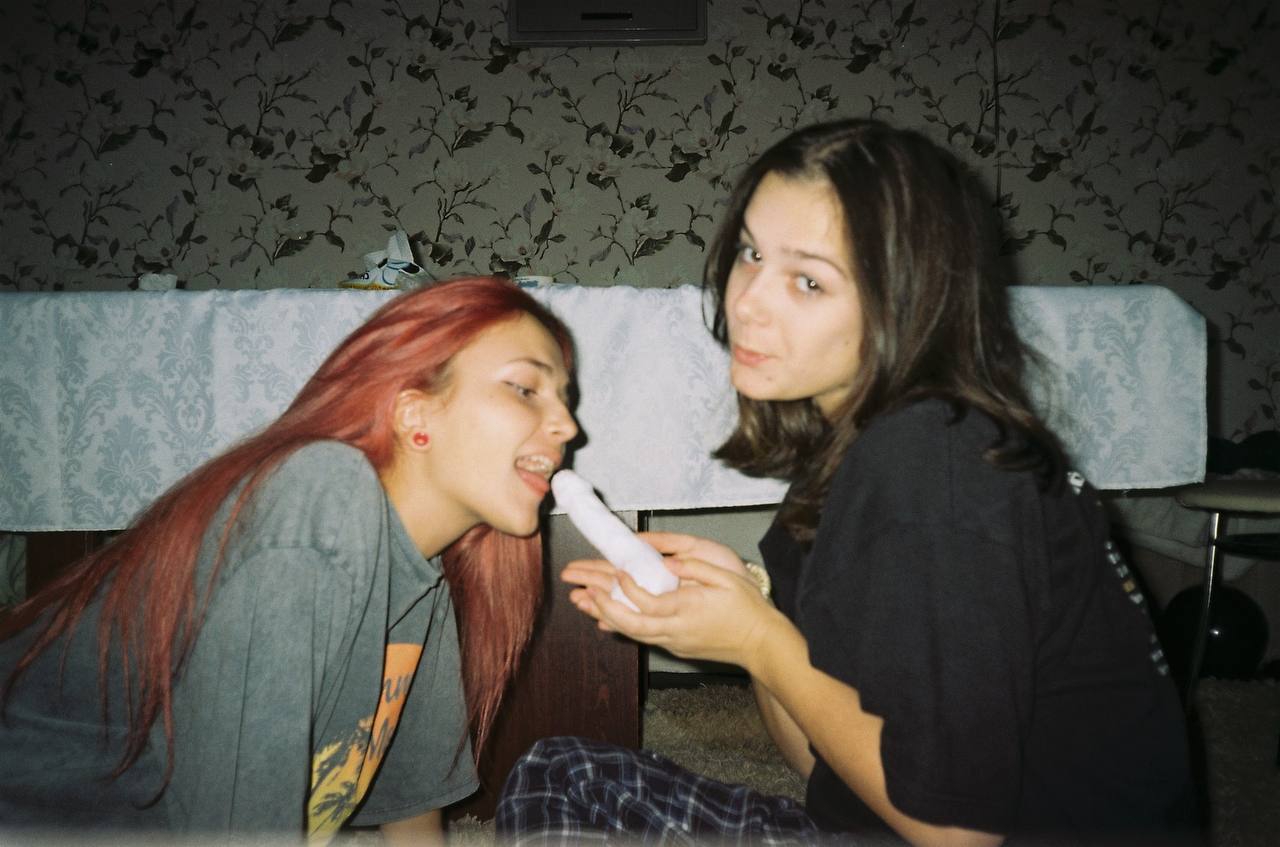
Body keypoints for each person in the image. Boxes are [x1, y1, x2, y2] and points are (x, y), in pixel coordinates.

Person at [495, 119, 1200, 846]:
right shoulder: (854, 459)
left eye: (808, 281)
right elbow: (830, 775)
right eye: (750, 253)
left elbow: (956, 832)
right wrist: (752, 612)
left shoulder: (937, 466)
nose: (746, 301)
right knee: (563, 773)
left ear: (907, 300)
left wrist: (760, 640)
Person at [0, 276, 578, 842]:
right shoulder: (319, 496)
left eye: (565, 400)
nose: (567, 427)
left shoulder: (423, 579)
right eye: (526, 389)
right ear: (414, 414)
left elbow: (412, 819)